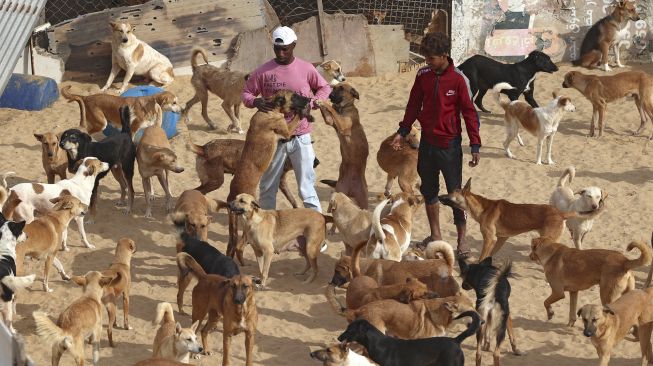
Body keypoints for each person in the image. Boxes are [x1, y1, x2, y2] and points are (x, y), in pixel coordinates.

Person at [391, 32, 481, 259]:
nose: (427, 63)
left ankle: (462, 241)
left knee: (455, 194)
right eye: (426, 59)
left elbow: (470, 113)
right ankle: (436, 235)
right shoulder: (423, 75)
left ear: (444, 56)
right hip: (427, 144)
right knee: (429, 190)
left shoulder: (459, 79)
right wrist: (403, 131)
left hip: (450, 145)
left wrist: (475, 144)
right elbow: (413, 104)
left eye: (431, 59)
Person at [241, 26, 332, 250]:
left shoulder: (306, 68)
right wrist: (256, 102)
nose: (281, 53)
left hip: (300, 136)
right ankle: (267, 237)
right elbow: (246, 94)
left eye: (285, 49)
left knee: (306, 188)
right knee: (268, 188)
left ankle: (317, 237)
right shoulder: (264, 71)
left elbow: (324, 87)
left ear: (293, 46)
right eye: (277, 48)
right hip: (274, 140)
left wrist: (312, 103)